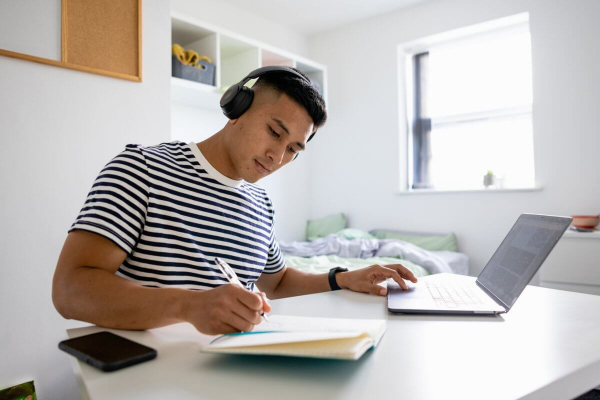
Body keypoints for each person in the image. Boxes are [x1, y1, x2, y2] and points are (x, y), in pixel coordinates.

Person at [52, 67, 417, 335]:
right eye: (274, 132)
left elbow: (277, 281)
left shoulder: (261, 202)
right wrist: (189, 305)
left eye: (293, 149)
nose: (278, 156)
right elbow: (70, 290)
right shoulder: (141, 169)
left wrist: (341, 278)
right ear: (237, 108)